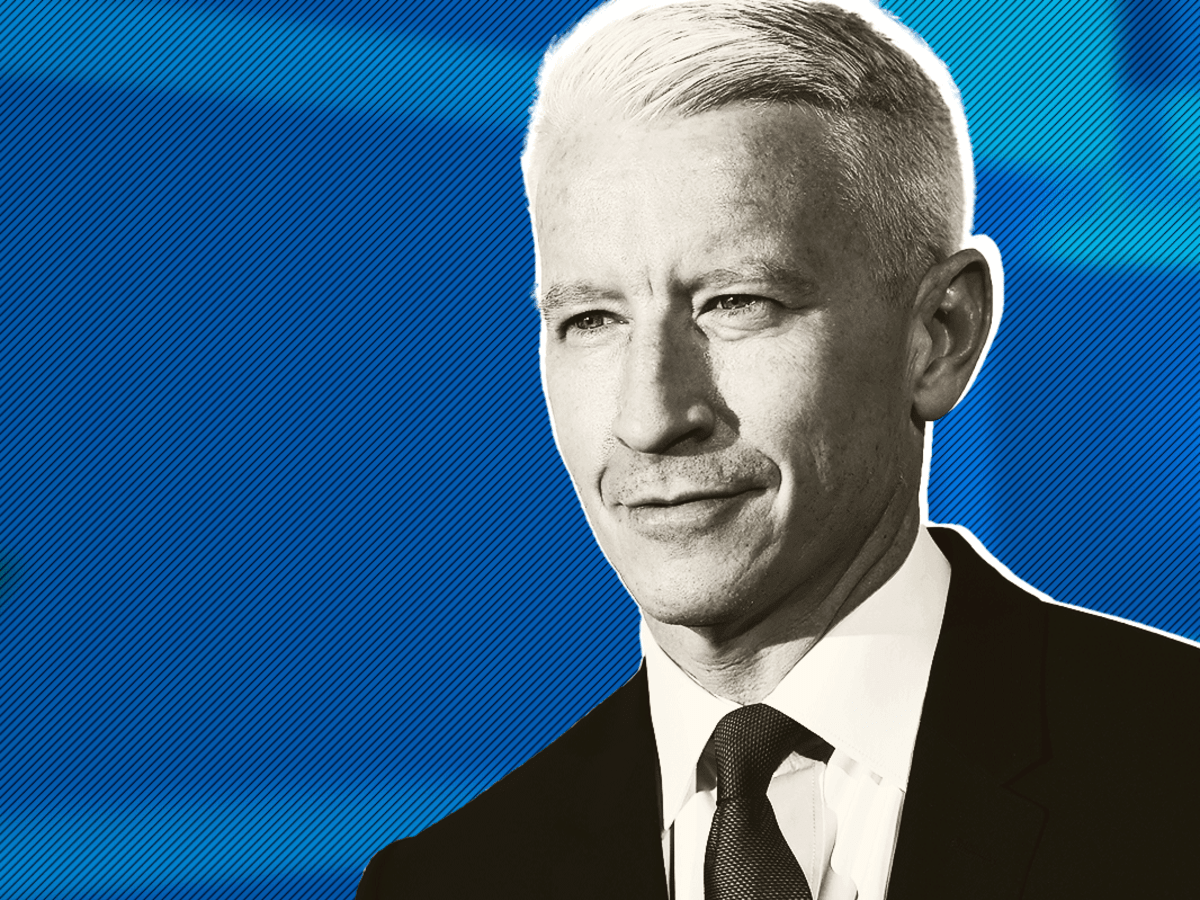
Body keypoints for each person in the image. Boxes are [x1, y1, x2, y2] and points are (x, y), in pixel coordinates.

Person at [356, 0, 1200, 897]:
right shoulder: (443, 883)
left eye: (736, 303)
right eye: (591, 319)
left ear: (940, 335)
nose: (651, 417)